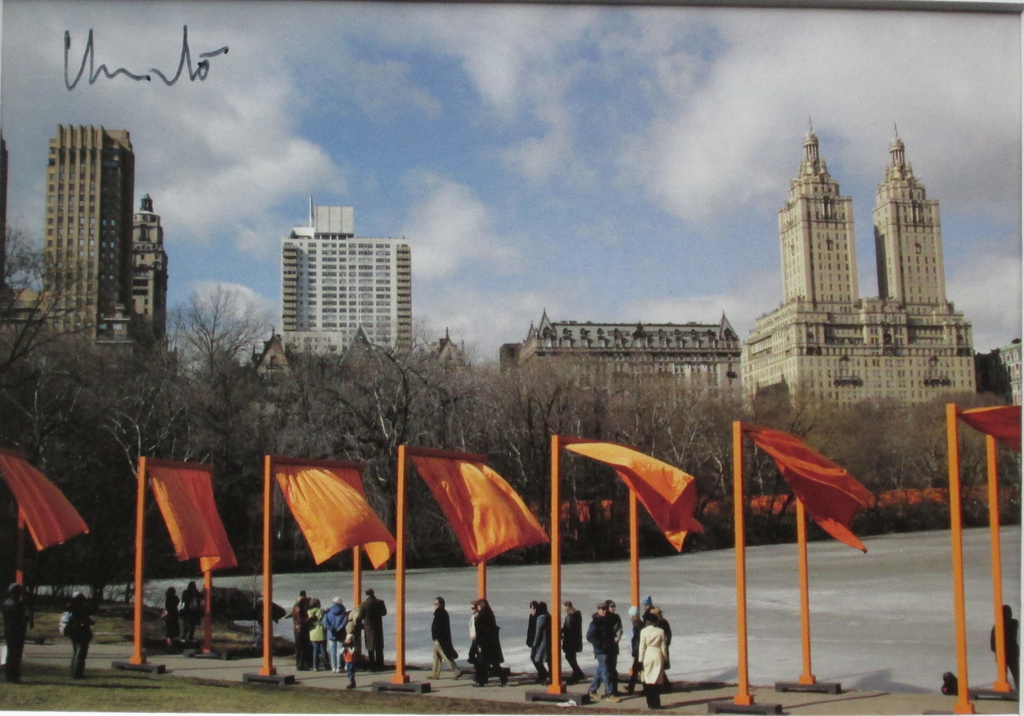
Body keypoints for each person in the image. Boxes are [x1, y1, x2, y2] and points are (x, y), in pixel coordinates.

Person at [586, 601, 620, 702]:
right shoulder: (595, 622)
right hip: (601, 650)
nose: (604, 611)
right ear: (598, 610)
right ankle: (610, 694)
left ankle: (592, 690)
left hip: (608, 649)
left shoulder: (608, 620)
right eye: (602, 610)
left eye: (605, 609)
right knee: (606, 672)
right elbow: (589, 636)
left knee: (600, 671)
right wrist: (600, 644)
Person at [470, 599, 506, 686]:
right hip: (491, 643)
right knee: (494, 663)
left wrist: (479, 644)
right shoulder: (490, 614)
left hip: (484, 643)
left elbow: (480, 631)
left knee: (482, 662)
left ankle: (482, 681)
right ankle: (502, 678)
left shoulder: (481, 616)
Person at [638, 612, 669, 708]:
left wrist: (640, 660)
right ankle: (656, 703)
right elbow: (664, 647)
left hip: (647, 654)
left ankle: (650, 703)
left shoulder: (643, 631)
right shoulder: (660, 631)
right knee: (656, 679)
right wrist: (666, 659)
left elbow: (642, 647)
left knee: (648, 679)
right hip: (657, 654)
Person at [430, 596, 462, 679]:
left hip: (440, 639)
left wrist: (438, 637)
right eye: (434, 604)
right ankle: (435, 674)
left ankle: (456, 671)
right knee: (436, 656)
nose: (435, 605)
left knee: (445, 656)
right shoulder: (440, 613)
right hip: (438, 638)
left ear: (441, 604)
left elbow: (440, 627)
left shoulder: (441, 613)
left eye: (436, 603)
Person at [2, 583, 28, 683]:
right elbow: (21, 619)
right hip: (18, 632)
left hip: (9, 630)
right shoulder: (19, 604)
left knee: (10, 653)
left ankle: (9, 675)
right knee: (17, 654)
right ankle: (15, 676)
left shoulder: (6, 603)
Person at [66, 591, 95, 679]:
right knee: (81, 653)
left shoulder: (70, 607)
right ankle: (77, 674)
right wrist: (90, 600)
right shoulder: (82, 608)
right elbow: (93, 609)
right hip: (81, 632)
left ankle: (73, 671)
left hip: (72, 632)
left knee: (76, 652)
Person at [990, 604, 1020, 690]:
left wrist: (996, 651)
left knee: (1003, 675)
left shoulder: (997, 627)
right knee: (1016, 673)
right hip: (1012, 653)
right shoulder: (1014, 623)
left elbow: (992, 644)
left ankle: (1005, 691)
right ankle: (1019, 689)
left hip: (1002, 653)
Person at [360, 588, 387, 671]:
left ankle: (372, 665)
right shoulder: (380, 602)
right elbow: (384, 613)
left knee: (370, 647)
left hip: (368, 627)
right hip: (378, 626)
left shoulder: (364, 604)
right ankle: (380, 664)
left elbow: (360, 616)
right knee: (379, 647)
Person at [561, 600, 586, 683]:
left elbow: (568, 628)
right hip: (575, 640)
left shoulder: (570, 616)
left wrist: (561, 631)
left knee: (569, 657)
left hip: (570, 641)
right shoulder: (576, 614)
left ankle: (578, 673)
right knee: (571, 657)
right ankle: (577, 673)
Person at [323, 597, 349, 674]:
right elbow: (345, 622)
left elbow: (325, 622)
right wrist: (339, 629)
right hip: (340, 634)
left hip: (331, 634)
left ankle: (333, 667)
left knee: (332, 651)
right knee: (339, 651)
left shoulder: (329, 611)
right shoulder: (343, 612)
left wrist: (331, 629)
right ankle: (339, 667)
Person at [530, 601, 551, 684]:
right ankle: (548, 676)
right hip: (550, 641)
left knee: (536, 659)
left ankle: (544, 675)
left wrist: (534, 644)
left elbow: (538, 633)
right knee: (549, 660)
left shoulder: (541, 618)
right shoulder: (549, 616)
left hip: (543, 642)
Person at [606, 600, 623, 694]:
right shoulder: (605, 618)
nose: (613, 608)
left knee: (613, 669)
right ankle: (609, 689)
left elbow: (620, 629)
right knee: (606, 669)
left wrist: (618, 637)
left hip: (614, 647)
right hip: (607, 646)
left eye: (614, 606)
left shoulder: (616, 617)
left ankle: (614, 689)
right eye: (611, 607)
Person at [625, 605, 644, 694]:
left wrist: (635, 650)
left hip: (638, 650)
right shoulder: (640, 623)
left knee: (637, 668)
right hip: (639, 649)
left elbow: (636, 638)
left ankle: (632, 687)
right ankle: (631, 686)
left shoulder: (637, 624)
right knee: (637, 668)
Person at [292, 591, 312, 670]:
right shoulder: (299, 608)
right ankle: (301, 665)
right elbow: (301, 620)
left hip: (297, 629)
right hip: (301, 629)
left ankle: (299, 664)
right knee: (302, 648)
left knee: (299, 648)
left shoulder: (295, 607)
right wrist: (309, 619)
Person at [180, 581, 203, 646]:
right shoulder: (186, 592)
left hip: (194, 610)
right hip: (188, 610)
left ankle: (190, 637)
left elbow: (201, 596)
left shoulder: (196, 592)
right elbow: (183, 599)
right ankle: (183, 637)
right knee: (186, 624)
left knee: (193, 625)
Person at [308, 598, 327, 671]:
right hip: (320, 631)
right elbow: (322, 619)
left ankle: (315, 666)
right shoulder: (320, 611)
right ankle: (326, 664)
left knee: (315, 650)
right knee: (323, 650)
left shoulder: (309, 611)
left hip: (312, 631)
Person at [163, 587, 180, 652]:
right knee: (171, 633)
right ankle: (170, 646)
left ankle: (169, 645)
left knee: (169, 633)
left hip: (169, 616)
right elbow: (176, 603)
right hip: (173, 616)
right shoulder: (174, 598)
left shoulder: (168, 598)